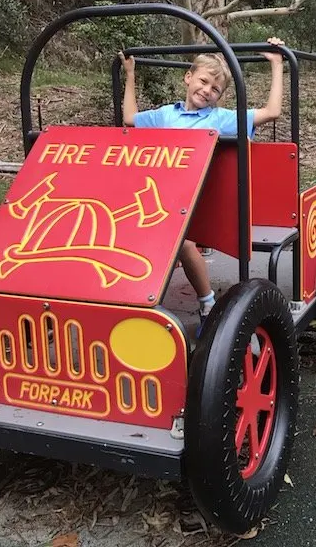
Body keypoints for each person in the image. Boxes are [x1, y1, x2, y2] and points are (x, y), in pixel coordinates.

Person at [119, 38, 285, 334]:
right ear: (188, 77)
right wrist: (130, 75)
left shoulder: (221, 119)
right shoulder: (166, 115)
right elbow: (130, 119)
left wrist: (276, 64)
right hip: (163, 196)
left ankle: (208, 303)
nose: (207, 91)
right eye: (204, 81)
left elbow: (271, 112)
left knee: (180, 239)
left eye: (215, 89)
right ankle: (131, 300)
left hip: (200, 198)